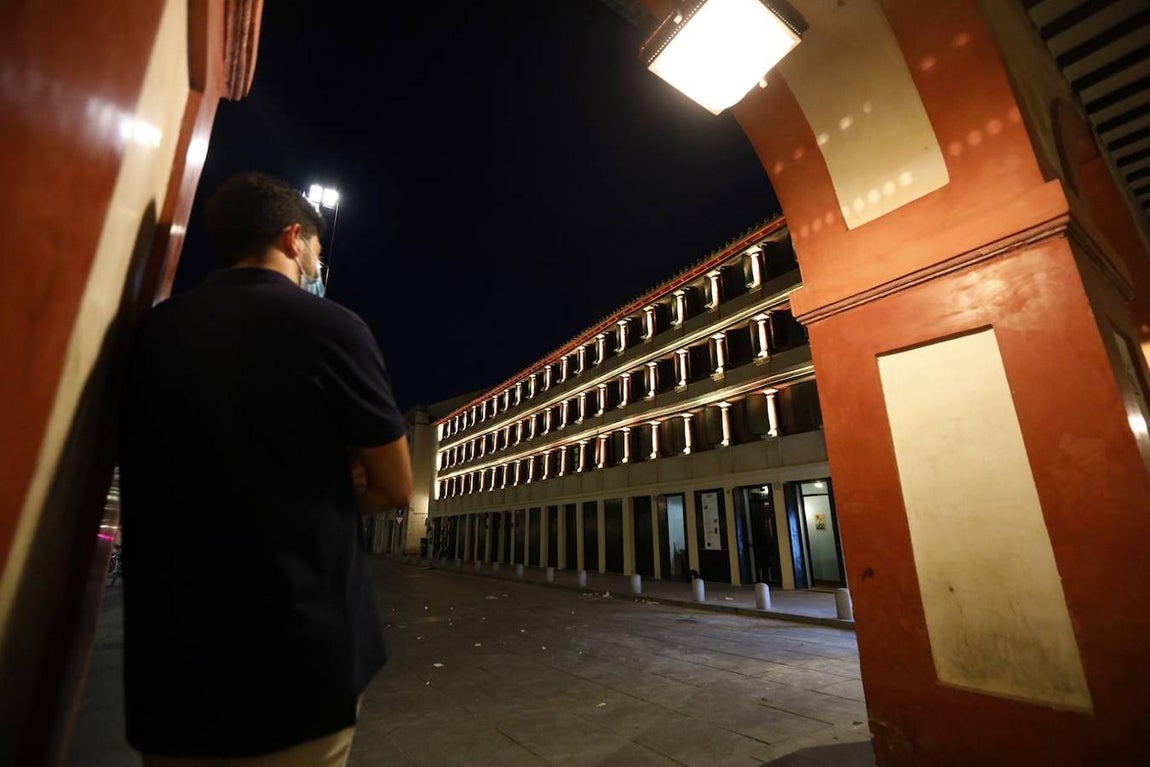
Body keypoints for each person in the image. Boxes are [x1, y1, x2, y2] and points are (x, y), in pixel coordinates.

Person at [117, 171, 412, 765]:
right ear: (292, 237)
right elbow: (397, 483)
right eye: (316, 253)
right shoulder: (331, 328)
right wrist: (334, 486)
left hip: (173, 665)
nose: (316, 265)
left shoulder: (155, 330)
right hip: (296, 657)